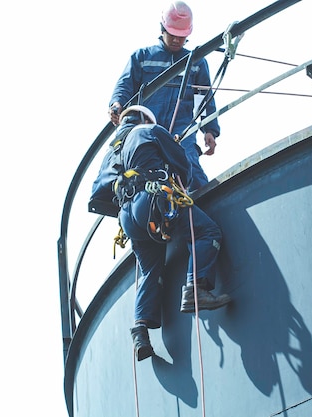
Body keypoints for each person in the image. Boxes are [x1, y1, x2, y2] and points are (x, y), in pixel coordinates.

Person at [113, 105, 231, 361]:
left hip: (128, 218)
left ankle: (140, 331)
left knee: (150, 270)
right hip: (153, 200)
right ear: (145, 118)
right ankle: (194, 288)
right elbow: (182, 163)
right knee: (206, 232)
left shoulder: (116, 152)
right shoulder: (150, 130)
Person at [108, 1, 220, 192]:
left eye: (182, 37)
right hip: (147, 127)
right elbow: (125, 85)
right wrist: (116, 104)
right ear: (162, 29)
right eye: (173, 35)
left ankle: (205, 211)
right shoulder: (142, 57)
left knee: (191, 171)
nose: (177, 40)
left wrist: (209, 129)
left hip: (181, 131)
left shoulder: (196, 62)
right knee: (144, 177)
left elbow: (204, 97)